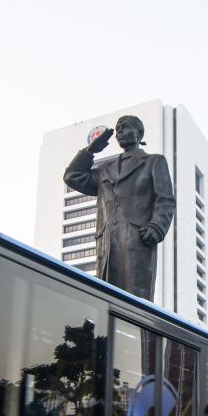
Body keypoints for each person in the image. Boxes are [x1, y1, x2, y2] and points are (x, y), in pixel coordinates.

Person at [63, 115, 175, 300]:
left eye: (125, 127)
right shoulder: (104, 169)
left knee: (135, 304)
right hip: (106, 246)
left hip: (137, 241)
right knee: (105, 302)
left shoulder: (153, 162)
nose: (120, 132)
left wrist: (157, 226)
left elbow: (165, 200)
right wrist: (90, 151)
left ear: (139, 133)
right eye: (117, 129)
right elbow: (72, 176)